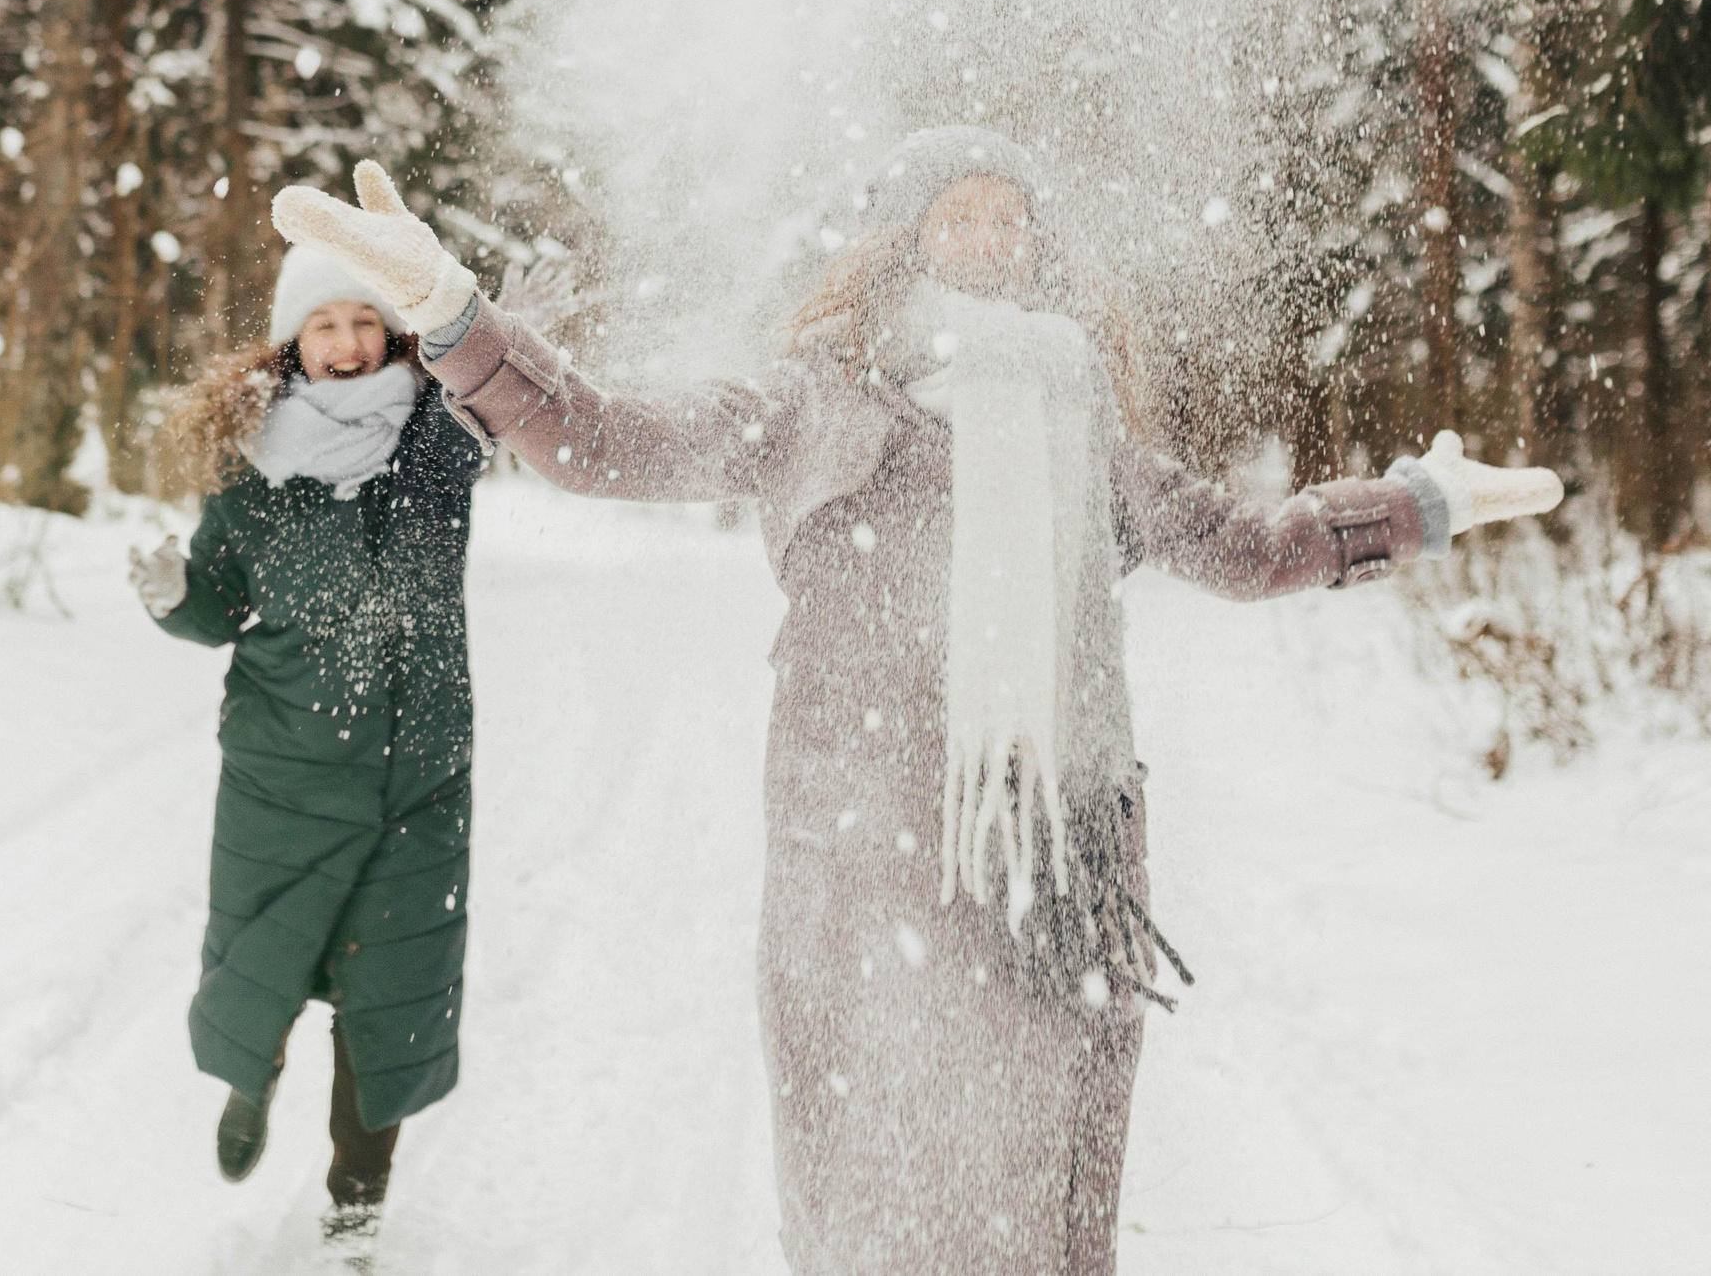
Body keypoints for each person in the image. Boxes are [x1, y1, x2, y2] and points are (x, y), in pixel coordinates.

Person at [273, 131, 1560, 1276]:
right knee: (873, 1193)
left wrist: (1419, 505)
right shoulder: (812, 402)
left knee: (1036, 1196)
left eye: (1010, 217)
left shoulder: (1077, 415)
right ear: (901, 240)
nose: (989, 240)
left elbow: (1239, 550)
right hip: (858, 864)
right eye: (960, 214)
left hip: (1051, 864)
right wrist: (452, 314)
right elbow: (600, 440)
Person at [127, 242, 485, 1264]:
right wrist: (171, 599)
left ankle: (355, 1205)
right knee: (262, 956)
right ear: (291, 343)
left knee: (392, 998)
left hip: (419, 772)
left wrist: (496, 338)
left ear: (393, 333)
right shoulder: (252, 462)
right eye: (324, 325)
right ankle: (254, 1076)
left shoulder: (436, 445)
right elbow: (219, 607)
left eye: (365, 322)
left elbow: (496, 382)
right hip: (282, 764)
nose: (346, 343)